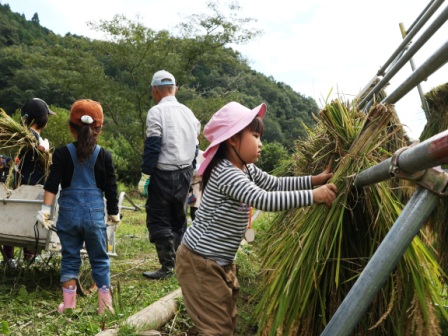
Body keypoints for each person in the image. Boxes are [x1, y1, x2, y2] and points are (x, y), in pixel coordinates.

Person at [175, 101, 338, 335]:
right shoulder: (225, 172)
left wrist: (314, 180)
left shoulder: (246, 168)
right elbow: (265, 199)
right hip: (200, 262)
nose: (261, 144)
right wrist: (315, 196)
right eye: (255, 136)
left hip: (219, 261)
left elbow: (275, 184)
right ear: (232, 139)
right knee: (217, 329)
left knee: (227, 320)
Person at [37, 99, 120, 314]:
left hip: (69, 215)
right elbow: (111, 187)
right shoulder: (104, 155)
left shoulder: (62, 154)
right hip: (94, 216)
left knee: (70, 258)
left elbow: (52, 184)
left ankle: (70, 306)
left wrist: (45, 211)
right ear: (99, 129)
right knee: (100, 259)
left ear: (70, 127)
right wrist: (113, 213)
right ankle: (106, 306)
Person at [139, 70, 201, 280]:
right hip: (185, 173)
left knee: (159, 218)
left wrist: (145, 174)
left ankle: (167, 267)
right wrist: (190, 169)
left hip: (163, 174)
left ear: (155, 90)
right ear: (175, 89)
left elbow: (153, 146)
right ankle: (181, 264)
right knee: (179, 218)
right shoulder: (189, 113)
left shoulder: (156, 113)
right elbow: (195, 147)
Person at [2, 98, 54, 264]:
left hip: (18, 185)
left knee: (13, 216)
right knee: (29, 218)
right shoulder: (32, 140)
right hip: (31, 186)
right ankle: (29, 258)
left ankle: (9, 257)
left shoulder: (25, 136)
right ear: (43, 119)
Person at [187, 149, 204, 222]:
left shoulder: (202, 154)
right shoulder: (186, 152)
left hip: (197, 186)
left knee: (194, 210)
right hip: (187, 185)